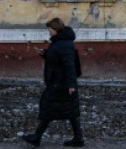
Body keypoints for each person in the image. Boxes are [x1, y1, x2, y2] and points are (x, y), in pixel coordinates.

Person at [20, 18, 84, 147]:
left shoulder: (64, 44)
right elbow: (57, 59)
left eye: (50, 29)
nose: (48, 32)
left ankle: (37, 137)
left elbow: (69, 65)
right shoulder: (59, 42)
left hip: (60, 83)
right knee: (70, 111)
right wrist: (45, 53)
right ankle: (78, 138)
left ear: (56, 29)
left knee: (49, 108)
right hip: (59, 82)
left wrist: (71, 84)